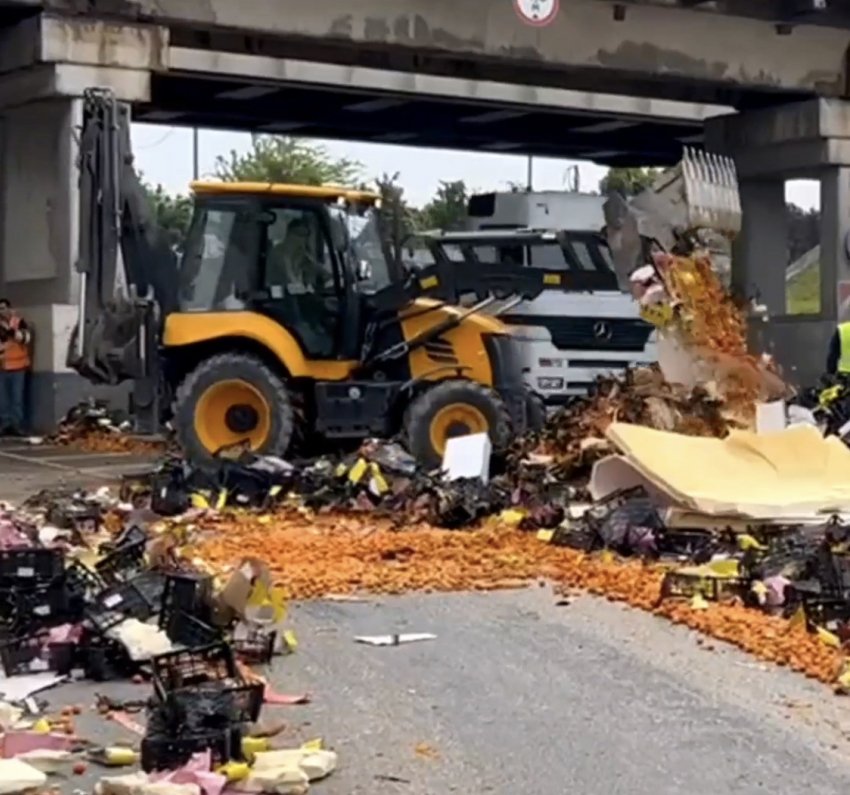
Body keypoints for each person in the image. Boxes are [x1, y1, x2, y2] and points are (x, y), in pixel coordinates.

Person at [0, 299, 31, 435]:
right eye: (0, 309)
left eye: (4, 308)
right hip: (2, 366)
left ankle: (17, 425)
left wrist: (12, 332)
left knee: (17, 399)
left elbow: (26, 338)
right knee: (3, 399)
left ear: (10, 308)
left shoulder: (19, 322)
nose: (2, 311)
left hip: (18, 366)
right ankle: (5, 424)